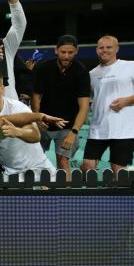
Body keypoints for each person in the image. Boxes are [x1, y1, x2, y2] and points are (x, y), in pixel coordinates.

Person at [81, 35, 134, 175]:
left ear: (117, 49)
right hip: (97, 129)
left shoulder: (132, 66)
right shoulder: (91, 74)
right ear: (97, 50)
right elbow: (87, 101)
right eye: (101, 47)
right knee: (87, 166)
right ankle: (91, 190)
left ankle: (117, 190)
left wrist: (127, 101)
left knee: (118, 171)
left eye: (109, 47)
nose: (104, 50)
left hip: (123, 130)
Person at [0, 72, 56, 181]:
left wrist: (17, 132)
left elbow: (35, 135)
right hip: (9, 175)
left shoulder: (17, 108)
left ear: (2, 89)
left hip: (38, 170)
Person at [31, 35, 90, 178]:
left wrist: (73, 132)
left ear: (76, 51)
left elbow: (84, 106)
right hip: (43, 123)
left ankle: (64, 192)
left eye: (70, 52)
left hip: (67, 126)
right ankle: (37, 190)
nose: (67, 56)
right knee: (33, 161)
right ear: (56, 50)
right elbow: (36, 97)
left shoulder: (81, 72)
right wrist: (37, 119)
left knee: (63, 161)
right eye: (63, 52)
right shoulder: (43, 68)